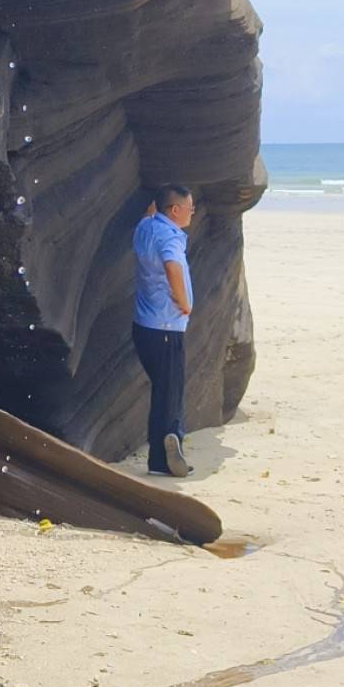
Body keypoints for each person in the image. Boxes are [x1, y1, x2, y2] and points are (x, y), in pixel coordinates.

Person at [131, 185, 194, 476]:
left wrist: (152, 210)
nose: (192, 212)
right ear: (175, 210)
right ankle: (170, 443)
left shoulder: (145, 227)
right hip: (167, 327)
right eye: (189, 207)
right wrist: (183, 301)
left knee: (162, 389)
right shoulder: (170, 237)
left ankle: (160, 457)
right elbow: (172, 266)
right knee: (171, 392)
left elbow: (148, 214)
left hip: (143, 326)